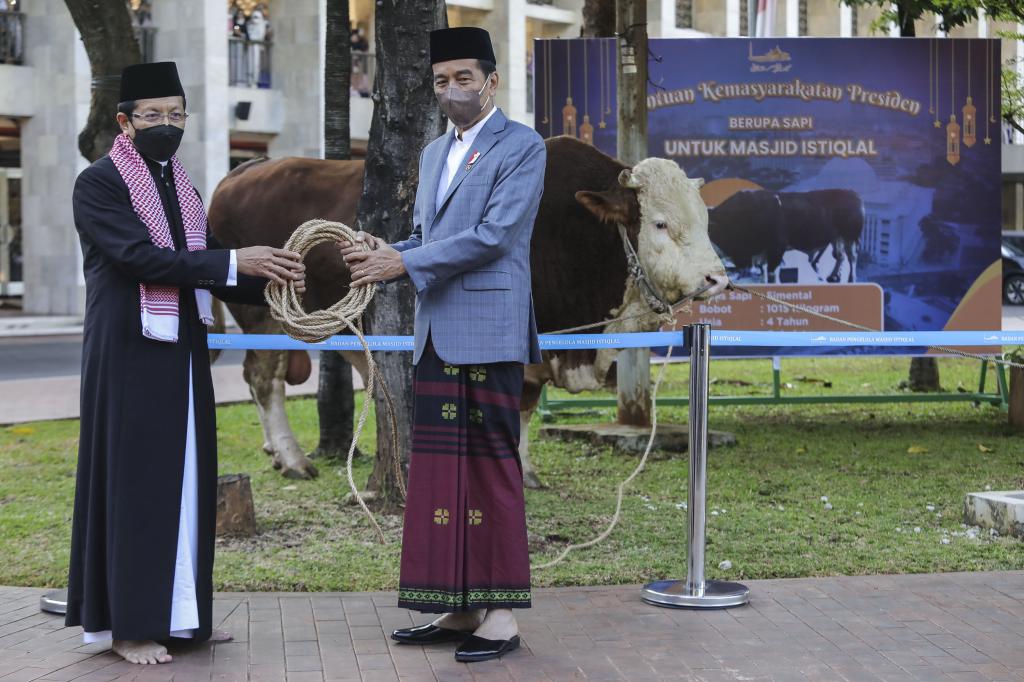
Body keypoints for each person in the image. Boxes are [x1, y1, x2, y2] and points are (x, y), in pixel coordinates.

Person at [65, 61, 306, 666]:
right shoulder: (99, 184)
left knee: (188, 481)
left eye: (176, 114)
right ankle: (129, 625)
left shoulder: (180, 183)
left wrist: (278, 277)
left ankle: (183, 615)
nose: (166, 125)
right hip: (129, 350)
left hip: (182, 350)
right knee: (139, 483)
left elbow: (206, 261)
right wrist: (234, 263)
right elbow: (141, 259)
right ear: (124, 121)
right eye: (153, 116)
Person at [341, 26, 546, 664]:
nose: (451, 91)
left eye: (463, 79)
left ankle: (502, 616)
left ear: (491, 81)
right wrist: (389, 250)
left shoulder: (523, 146)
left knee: (490, 471)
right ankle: (458, 607)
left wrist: (405, 266)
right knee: (440, 476)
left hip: (488, 333)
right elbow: (429, 231)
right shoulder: (434, 154)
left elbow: (494, 235)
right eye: (440, 81)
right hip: (438, 331)